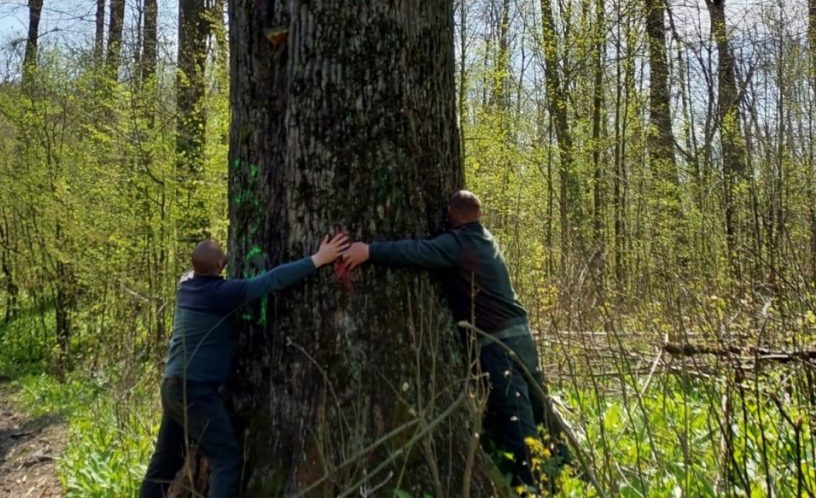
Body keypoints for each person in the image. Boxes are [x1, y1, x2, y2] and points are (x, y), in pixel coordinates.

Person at [341, 190, 552, 488]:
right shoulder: (485, 238)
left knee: (517, 419)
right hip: (520, 336)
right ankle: (556, 475)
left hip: (499, 343)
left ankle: (532, 487)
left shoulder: (460, 244)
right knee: (536, 410)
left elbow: (416, 251)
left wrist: (369, 251)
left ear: (452, 214)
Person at [140, 233, 350, 498]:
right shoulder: (224, 294)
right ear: (220, 268)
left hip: (172, 386)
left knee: (164, 464)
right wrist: (318, 259)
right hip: (195, 391)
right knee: (225, 458)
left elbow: (201, 266)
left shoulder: (185, 285)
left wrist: (212, 261)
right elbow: (273, 280)